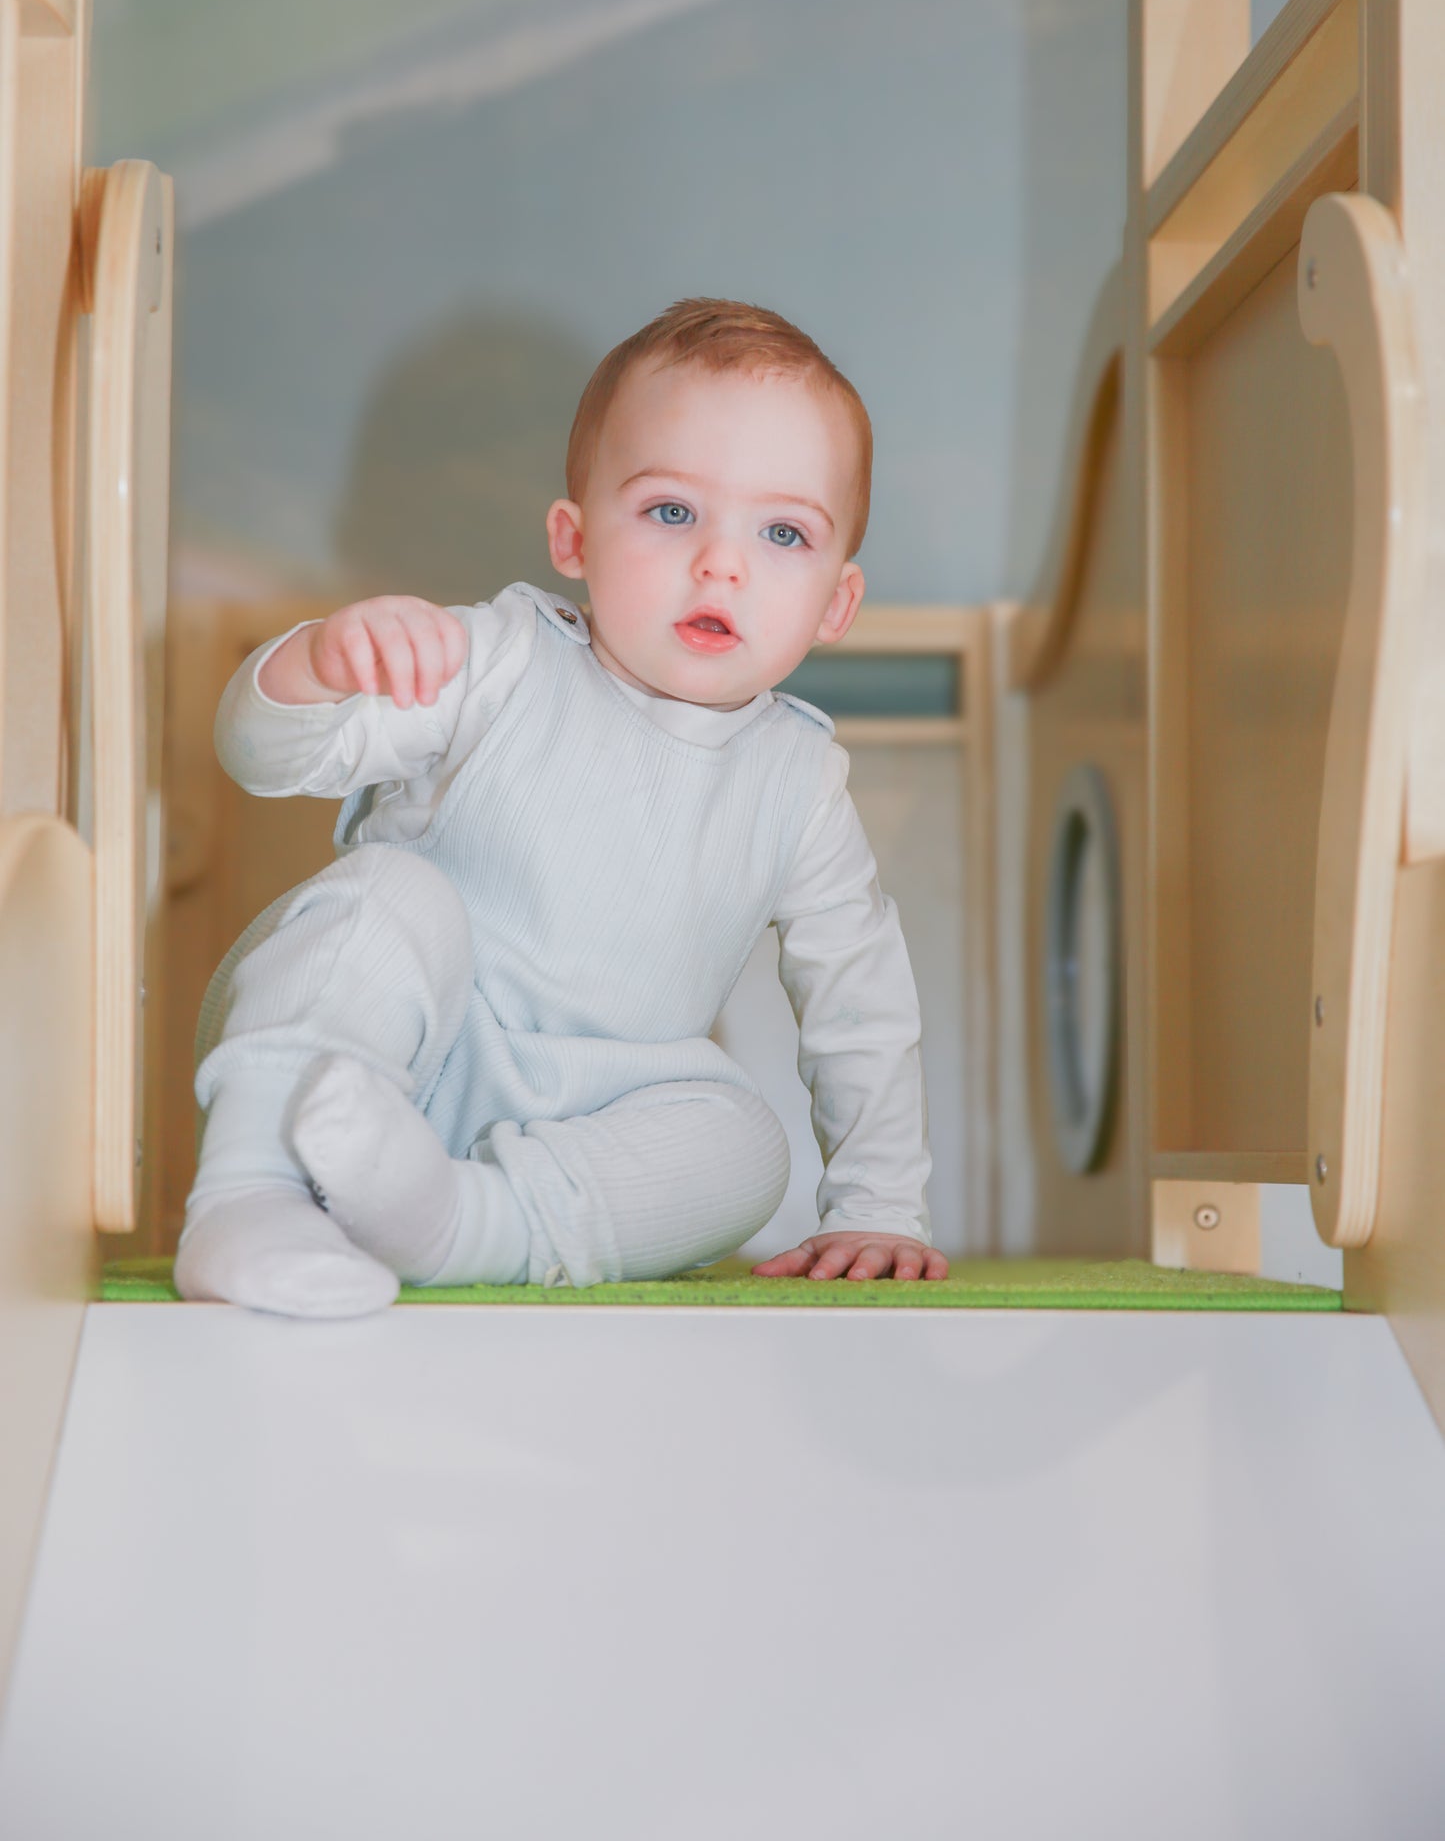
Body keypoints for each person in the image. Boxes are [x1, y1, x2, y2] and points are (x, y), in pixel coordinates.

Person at [175, 298, 946, 1316]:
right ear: (574, 538)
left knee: (744, 1142)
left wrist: (879, 1203)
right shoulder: (497, 660)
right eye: (671, 512)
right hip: (385, 1056)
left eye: (782, 532)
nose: (721, 562)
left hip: (593, 1123)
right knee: (386, 893)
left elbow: (858, 1003)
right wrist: (315, 665)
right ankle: (253, 1196)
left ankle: (462, 1224)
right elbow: (262, 756)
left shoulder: (798, 784)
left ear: (835, 602)